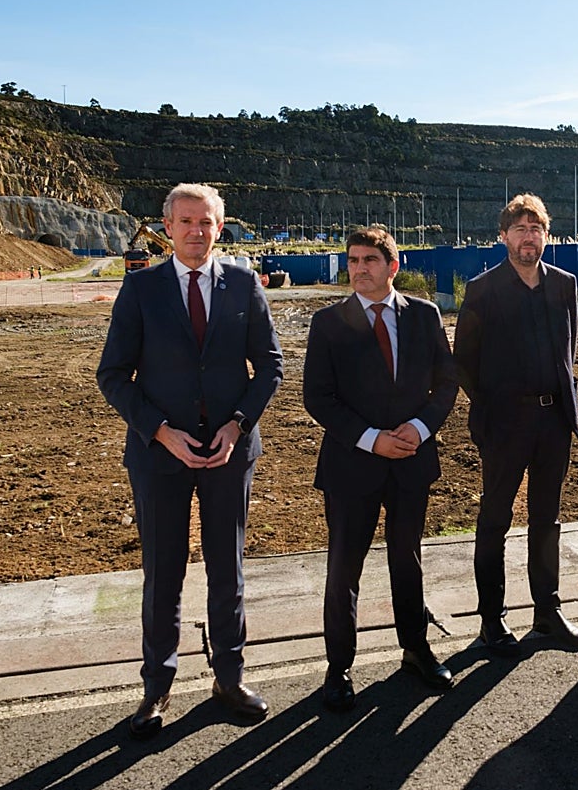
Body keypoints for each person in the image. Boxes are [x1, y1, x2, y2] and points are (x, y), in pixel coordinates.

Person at [97, 183, 283, 739]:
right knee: (163, 573)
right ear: (167, 226)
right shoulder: (141, 288)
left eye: (206, 222)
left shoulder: (245, 284)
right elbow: (112, 375)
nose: (197, 231)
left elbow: (270, 367)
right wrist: (159, 431)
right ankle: (156, 687)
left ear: (219, 227)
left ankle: (229, 678)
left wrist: (237, 425)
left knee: (228, 568)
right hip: (160, 457)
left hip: (229, 453)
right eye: (186, 222)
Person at [303, 226, 459, 711]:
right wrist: (371, 440)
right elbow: (317, 398)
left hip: (411, 461)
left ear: (393, 267)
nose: (359, 269)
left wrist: (419, 428)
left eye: (370, 260)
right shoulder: (328, 323)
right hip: (353, 465)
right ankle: (339, 666)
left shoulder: (425, 315)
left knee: (406, 559)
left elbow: (447, 384)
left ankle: (415, 649)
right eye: (352, 260)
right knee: (344, 567)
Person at [453, 193, 578, 655]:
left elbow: (569, 350)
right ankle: (492, 620)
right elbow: (464, 361)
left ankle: (547, 613)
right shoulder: (483, 289)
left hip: (553, 421)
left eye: (536, 229)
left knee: (546, 520)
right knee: (495, 519)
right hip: (504, 423)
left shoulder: (565, 284)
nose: (529, 237)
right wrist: (492, 406)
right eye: (520, 229)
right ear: (503, 236)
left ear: (546, 236)